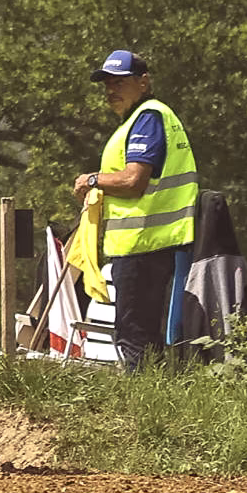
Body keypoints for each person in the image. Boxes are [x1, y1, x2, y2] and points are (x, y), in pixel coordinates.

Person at [69, 49, 200, 371]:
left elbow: (134, 180)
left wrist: (93, 180)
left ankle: (140, 406)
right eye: (107, 84)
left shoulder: (147, 118)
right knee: (144, 335)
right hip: (151, 244)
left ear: (143, 82)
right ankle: (154, 399)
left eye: (120, 82)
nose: (112, 90)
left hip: (144, 244)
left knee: (133, 336)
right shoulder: (145, 118)